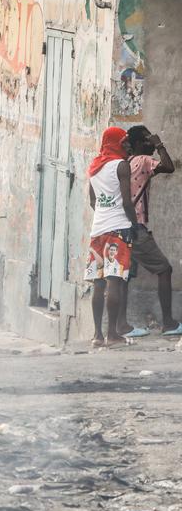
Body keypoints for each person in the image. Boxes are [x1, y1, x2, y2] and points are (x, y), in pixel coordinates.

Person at [116, 126, 182, 337]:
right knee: (164, 269)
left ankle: (122, 326)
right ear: (138, 144)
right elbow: (169, 166)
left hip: (119, 226)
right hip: (135, 227)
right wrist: (159, 144)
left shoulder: (124, 164)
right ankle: (169, 323)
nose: (149, 144)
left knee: (123, 277)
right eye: (146, 140)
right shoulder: (143, 160)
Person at [86, 126, 137, 348]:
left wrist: (103, 213)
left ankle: (97, 335)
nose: (127, 145)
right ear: (115, 143)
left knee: (98, 282)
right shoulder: (121, 166)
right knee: (114, 280)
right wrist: (134, 224)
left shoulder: (95, 166)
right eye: (124, 142)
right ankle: (113, 335)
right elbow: (127, 201)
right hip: (119, 228)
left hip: (98, 230)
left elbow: (92, 200)